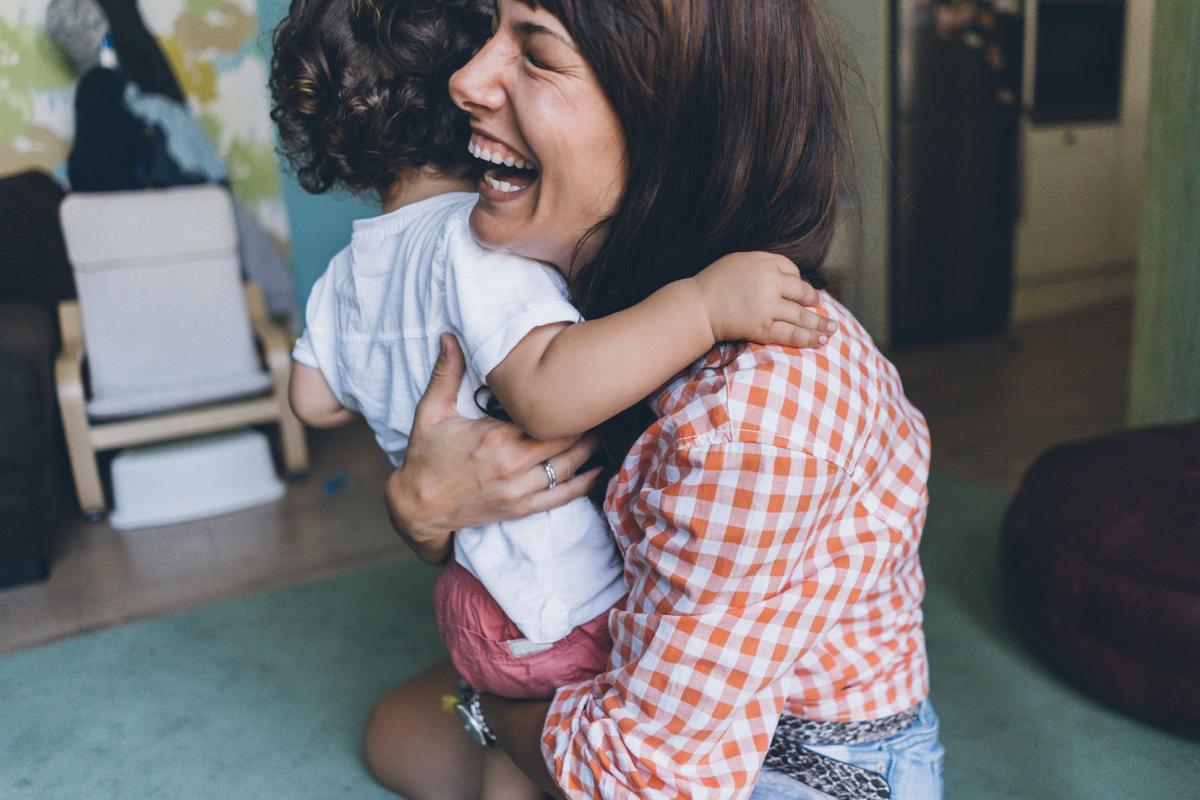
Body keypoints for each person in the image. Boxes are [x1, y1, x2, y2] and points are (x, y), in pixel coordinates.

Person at [364, 1, 945, 799]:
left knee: (480, 753)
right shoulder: (553, 293)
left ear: (671, 123)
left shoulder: (753, 419)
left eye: (536, 53)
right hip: (635, 674)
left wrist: (497, 709)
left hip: (787, 758)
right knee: (395, 731)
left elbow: (649, 778)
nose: (464, 80)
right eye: (487, 33)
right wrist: (423, 509)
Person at [270, 2, 832, 796]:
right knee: (520, 725)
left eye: (532, 53)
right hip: (565, 603)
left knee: (491, 734)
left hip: (474, 603)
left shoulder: (342, 278)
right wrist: (703, 307)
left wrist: (401, 425)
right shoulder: (473, 244)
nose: (479, 82)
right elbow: (547, 391)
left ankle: (502, 733)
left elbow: (311, 399)